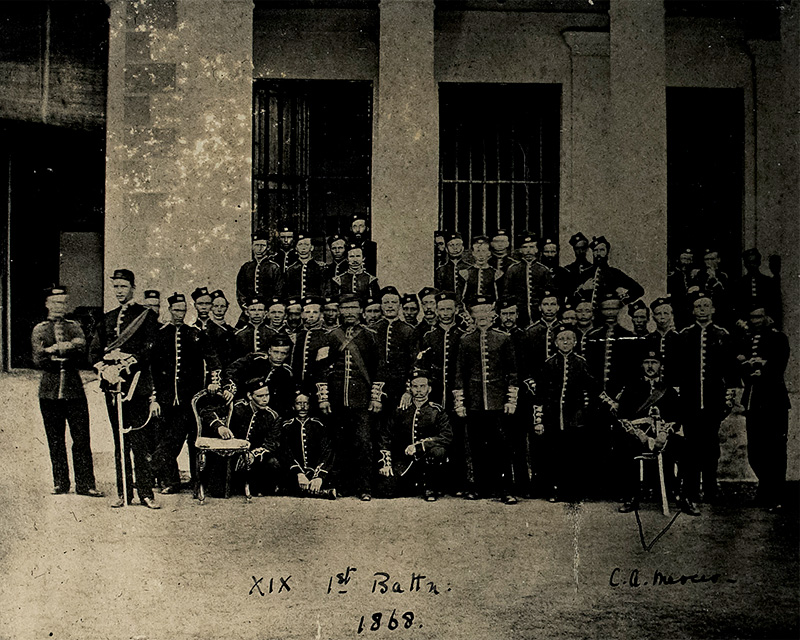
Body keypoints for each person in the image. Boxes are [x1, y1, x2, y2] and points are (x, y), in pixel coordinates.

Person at [89, 268, 160, 509]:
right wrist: (105, 369)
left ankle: (146, 493)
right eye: (116, 287)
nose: (119, 291)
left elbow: (150, 348)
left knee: (139, 441)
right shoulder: (107, 318)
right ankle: (124, 493)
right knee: (120, 441)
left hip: (136, 385)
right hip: (112, 386)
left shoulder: (146, 316)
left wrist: (126, 363)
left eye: (123, 287)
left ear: (132, 288)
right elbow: (94, 351)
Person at [32, 286, 103, 498]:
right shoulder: (40, 329)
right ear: (47, 304)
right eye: (55, 302)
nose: (59, 306)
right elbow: (38, 359)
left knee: (81, 439)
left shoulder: (75, 326)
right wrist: (64, 348)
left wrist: (54, 349)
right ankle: (60, 483)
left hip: (74, 389)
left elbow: (83, 352)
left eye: (63, 302)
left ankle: (85, 484)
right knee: (55, 439)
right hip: (49, 390)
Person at [316, 293, 386, 500]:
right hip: (337, 400)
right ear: (339, 311)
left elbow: (379, 369)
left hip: (362, 400)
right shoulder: (329, 336)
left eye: (353, 308)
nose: (349, 312)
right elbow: (320, 369)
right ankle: (344, 486)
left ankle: (364, 487)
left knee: (363, 443)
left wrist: (375, 397)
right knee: (340, 443)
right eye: (345, 308)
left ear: (361, 311)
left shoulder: (371, 336)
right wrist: (323, 397)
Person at [151, 293, 221, 494]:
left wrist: (214, 382)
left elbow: (213, 359)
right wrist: (154, 397)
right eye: (176, 310)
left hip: (191, 398)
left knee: (192, 439)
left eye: (183, 310)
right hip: (166, 398)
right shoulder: (160, 334)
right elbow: (153, 368)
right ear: (170, 310)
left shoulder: (195, 333)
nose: (180, 314)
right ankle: (171, 481)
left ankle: (197, 480)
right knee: (168, 439)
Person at [677, 290, 737, 516]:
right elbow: (678, 370)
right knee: (691, 446)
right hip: (690, 401)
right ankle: (691, 489)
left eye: (706, 306)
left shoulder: (722, 335)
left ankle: (711, 486)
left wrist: (728, 399)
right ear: (693, 311)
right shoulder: (684, 335)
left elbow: (731, 370)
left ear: (713, 309)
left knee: (711, 445)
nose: (702, 310)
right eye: (698, 306)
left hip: (713, 400)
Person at [453, 295, 519, 504]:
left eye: (486, 312)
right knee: (477, 446)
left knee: (501, 447)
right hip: (474, 403)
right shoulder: (465, 340)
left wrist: (511, 400)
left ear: (493, 315)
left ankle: (506, 489)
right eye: (477, 313)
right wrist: (460, 403)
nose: (482, 317)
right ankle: (480, 488)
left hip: (498, 402)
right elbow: (459, 373)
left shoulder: (503, 338)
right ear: (472, 316)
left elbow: (512, 372)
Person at [582, 293, 638, 498]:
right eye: (606, 309)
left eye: (614, 308)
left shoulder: (630, 336)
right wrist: (601, 396)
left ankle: (620, 489)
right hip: (597, 400)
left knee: (621, 445)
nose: (610, 313)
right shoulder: (592, 336)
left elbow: (632, 373)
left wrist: (620, 397)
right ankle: (597, 489)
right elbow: (587, 370)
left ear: (620, 310)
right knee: (596, 444)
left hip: (621, 401)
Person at [533, 325, 597, 502]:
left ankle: (573, 491)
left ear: (575, 342)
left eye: (569, 338)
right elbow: (540, 395)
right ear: (555, 342)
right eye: (561, 339)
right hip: (552, 417)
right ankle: (554, 490)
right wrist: (538, 420)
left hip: (574, 418)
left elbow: (591, 389)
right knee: (554, 455)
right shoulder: (549, 364)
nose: (566, 342)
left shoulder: (581, 363)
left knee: (574, 455)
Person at [736, 303, 790, 511]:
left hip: (774, 401)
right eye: (752, 317)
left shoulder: (778, 338)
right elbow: (741, 365)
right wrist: (747, 367)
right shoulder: (747, 339)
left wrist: (763, 370)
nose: (755, 321)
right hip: (753, 400)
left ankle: (776, 497)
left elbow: (778, 365)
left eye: (759, 317)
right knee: (756, 451)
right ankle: (765, 491)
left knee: (775, 450)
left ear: (768, 317)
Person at [615, 351, 683, 513]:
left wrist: (664, 434)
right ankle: (631, 496)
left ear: (661, 366)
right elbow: (622, 416)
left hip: (662, 436)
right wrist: (640, 435)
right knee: (625, 447)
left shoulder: (669, 390)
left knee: (684, 447)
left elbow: (677, 417)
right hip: (637, 435)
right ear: (641, 365)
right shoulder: (631, 388)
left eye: (654, 362)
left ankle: (682, 495)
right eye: (647, 362)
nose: (650, 366)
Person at [416, 291, 468, 494]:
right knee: (434, 439)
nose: (445, 313)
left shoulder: (464, 334)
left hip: (458, 396)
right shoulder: (429, 336)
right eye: (441, 309)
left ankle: (457, 484)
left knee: (457, 438)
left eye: (449, 308)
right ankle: (434, 485)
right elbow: (422, 366)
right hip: (436, 395)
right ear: (436, 311)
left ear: (456, 309)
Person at [199, 376, 282, 497]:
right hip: (231, 457)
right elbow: (207, 411)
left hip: (254, 459)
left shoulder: (273, 416)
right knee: (218, 492)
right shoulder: (235, 407)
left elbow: (271, 443)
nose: (265, 400)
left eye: (267, 395)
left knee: (272, 463)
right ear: (249, 396)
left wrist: (253, 454)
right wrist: (220, 427)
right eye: (260, 396)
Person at [378, 369, 452, 501]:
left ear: (429, 389)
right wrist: (386, 463)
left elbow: (446, 436)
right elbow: (385, 435)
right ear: (410, 389)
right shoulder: (401, 410)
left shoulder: (437, 411)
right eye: (415, 386)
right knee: (386, 490)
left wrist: (419, 446)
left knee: (438, 451)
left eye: (422, 386)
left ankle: (430, 487)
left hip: (427, 459)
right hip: (405, 461)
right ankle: (414, 485)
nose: (419, 390)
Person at [224, 332, 295, 416]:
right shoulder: (255, 360)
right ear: (269, 351)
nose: (279, 357)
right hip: (242, 407)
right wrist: (230, 388)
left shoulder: (287, 373)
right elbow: (231, 370)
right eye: (276, 352)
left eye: (283, 353)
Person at [281, 390, 336, 499]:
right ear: (293, 406)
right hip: (295, 473)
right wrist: (299, 473)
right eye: (298, 403)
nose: (303, 407)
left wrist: (319, 476)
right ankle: (320, 493)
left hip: (315, 471)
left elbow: (327, 451)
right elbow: (285, 452)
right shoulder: (287, 426)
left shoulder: (319, 425)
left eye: (306, 403)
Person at [574, 236, 644, 316]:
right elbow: (572, 298)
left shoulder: (615, 273)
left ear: (607, 252)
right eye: (596, 250)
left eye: (602, 250)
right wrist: (583, 289)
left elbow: (638, 290)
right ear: (593, 253)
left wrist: (621, 301)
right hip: (588, 317)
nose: (598, 253)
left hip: (607, 317)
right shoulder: (585, 273)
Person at [373, 286, 416, 415]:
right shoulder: (372, 330)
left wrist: (408, 391)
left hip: (400, 387)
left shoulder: (409, 330)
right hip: (375, 389)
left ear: (399, 306)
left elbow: (414, 362)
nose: (390, 306)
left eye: (394, 302)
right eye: (386, 302)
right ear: (381, 305)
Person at [501, 232, 552, 328]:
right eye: (525, 247)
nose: (528, 251)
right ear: (520, 250)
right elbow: (506, 293)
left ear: (536, 249)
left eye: (531, 247)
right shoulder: (513, 269)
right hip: (519, 315)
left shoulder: (543, 270)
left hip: (538, 313)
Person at [235, 231, 284, 328]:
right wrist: (247, 307)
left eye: (262, 245)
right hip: (249, 311)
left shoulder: (274, 267)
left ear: (268, 247)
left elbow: (279, 291)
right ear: (252, 247)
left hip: (267, 311)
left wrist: (267, 309)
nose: (259, 249)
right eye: (256, 245)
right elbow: (240, 291)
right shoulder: (246, 267)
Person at [734, 248, 781, 327]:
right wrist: (739, 320)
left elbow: (775, 304)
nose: (751, 266)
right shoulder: (739, 283)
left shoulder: (768, 282)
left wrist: (770, 319)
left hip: (764, 323)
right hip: (745, 323)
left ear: (759, 263)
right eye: (748, 263)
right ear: (745, 264)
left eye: (754, 262)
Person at [291, 297, 329, 387]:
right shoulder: (296, 334)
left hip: (316, 384)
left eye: (315, 312)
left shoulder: (326, 335)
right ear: (302, 315)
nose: (311, 316)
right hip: (296, 382)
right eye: (307, 312)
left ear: (321, 314)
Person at [689, 248, 732, 327]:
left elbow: (726, 296)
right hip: (703, 314)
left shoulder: (723, 276)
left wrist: (713, 279)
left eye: (712, 259)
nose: (709, 262)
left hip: (720, 313)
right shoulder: (699, 275)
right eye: (706, 259)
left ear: (718, 260)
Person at [645, 297, 680, 386]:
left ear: (672, 315)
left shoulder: (680, 339)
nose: (662, 317)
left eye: (666, 313)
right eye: (658, 314)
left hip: (674, 386)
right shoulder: (647, 339)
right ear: (653, 317)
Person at [285, 233, 328, 298]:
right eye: (300, 245)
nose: (303, 248)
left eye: (306, 245)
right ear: (296, 248)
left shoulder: (320, 268)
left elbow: (324, 290)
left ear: (312, 247)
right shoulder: (291, 269)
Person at [460, 235, 501, 302]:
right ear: (473, 253)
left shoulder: (497, 274)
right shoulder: (465, 273)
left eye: (484, 251)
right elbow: (461, 297)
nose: (481, 255)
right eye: (477, 251)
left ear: (489, 253)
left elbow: (498, 297)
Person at [667, 248, 695, 329]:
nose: (687, 262)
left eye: (689, 259)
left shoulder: (695, 276)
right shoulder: (672, 276)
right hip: (678, 311)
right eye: (684, 259)